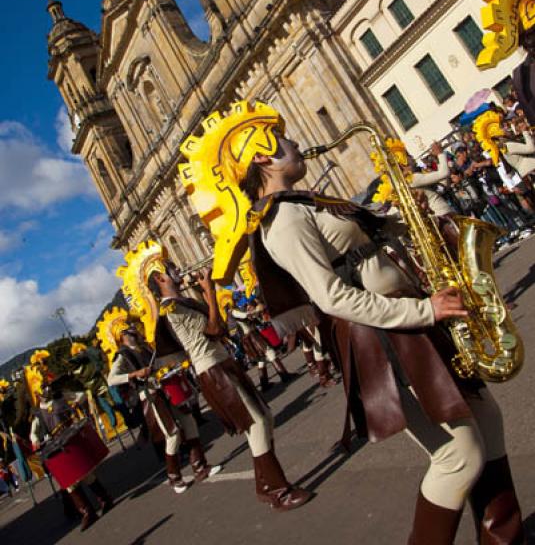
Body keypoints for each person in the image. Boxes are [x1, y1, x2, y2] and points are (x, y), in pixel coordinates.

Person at [179, 100, 524, 544]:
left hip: (411, 321)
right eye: (283, 138)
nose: (296, 141)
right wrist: (425, 311)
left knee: (487, 420)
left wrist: (410, 218)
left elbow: (369, 240)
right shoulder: (281, 219)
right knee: (457, 456)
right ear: (262, 154)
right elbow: (332, 297)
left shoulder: (306, 202)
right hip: (387, 340)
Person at [147, 264, 312, 512]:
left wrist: (207, 297)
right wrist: (210, 294)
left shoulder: (183, 303)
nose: (179, 271)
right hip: (212, 370)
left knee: (264, 417)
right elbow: (212, 331)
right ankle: (279, 491)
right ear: (160, 279)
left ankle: (264, 485)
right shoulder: (172, 309)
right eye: (171, 270)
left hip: (223, 363)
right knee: (254, 423)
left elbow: (221, 328)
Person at [107, 323, 220, 493]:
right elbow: (111, 379)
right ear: (122, 334)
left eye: (133, 327)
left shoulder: (144, 347)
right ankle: (174, 477)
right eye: (129, 329)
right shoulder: (122, 356)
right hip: (151, 396)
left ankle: (200, 467)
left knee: (189, 421)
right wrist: (134, 374)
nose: (134, 330)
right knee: (172, 434)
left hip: (165, 389)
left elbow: (159, 363)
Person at [30, 382, 113, 531]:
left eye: (45, 386)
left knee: (85, 473)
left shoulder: (60, 397)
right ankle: (87, 512)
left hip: (72, 437)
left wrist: (75, 402)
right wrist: (35, 440)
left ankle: (105, 499)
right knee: (70, 482)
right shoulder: (38, 413)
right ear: (36, 393)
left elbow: (80, 396)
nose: (46, 390)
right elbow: (33, 432)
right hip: (57, 445)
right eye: (41, 388)